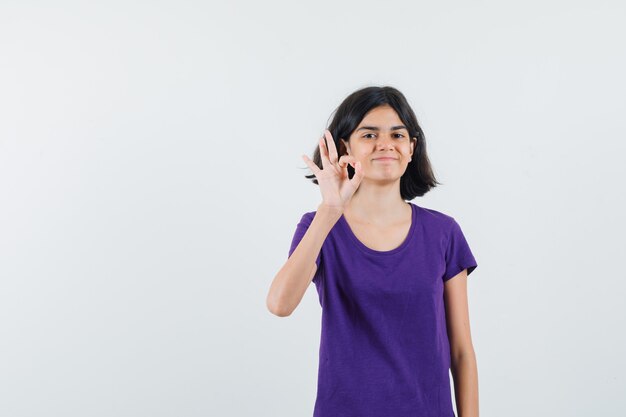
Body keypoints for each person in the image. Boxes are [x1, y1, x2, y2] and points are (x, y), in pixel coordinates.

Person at [266, 86, 479, 417]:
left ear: (412, 147)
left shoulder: (443, 233)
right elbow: (279, 304)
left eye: (397, 134)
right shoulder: (319, 227)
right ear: (343, 147)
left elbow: (462, 351)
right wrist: (330, 209)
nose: (385, 144)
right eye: (369, 135)